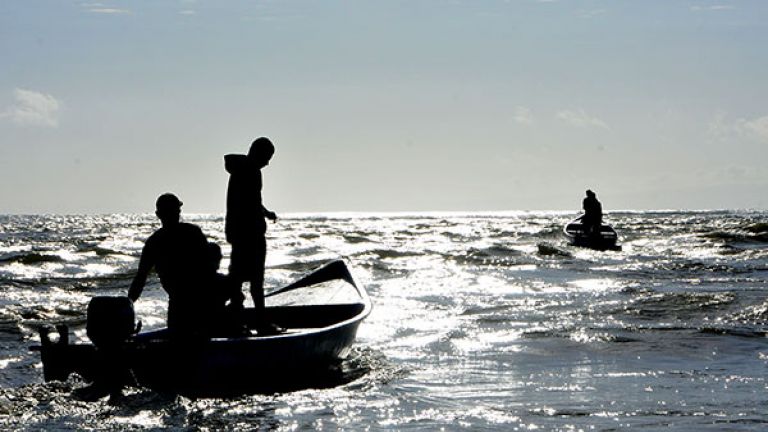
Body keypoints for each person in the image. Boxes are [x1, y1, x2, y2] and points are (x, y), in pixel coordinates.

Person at [128, 193, 210, 335]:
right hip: (189, 303)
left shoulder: (156, 241)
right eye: (175, 211)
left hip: (197, 302)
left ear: (158, 214)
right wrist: (127, 304)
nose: (176, 214)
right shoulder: (191, 233)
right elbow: (140, 279)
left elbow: (140, 279)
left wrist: (127, 305)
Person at [224, 137, 281, 334]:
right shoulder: (252, 172)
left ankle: (237, 322)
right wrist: (261, 216)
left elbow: (253, 200)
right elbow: (250, 202)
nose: (268, 162)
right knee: (255, 281)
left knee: (237, 278)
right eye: (267, 157)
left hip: (238, 233)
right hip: (250, 234)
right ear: (258, 153)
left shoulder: (240, 170)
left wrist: (266, 213)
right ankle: (259, 323)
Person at [204, 242, 246, 334]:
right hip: (217, 322)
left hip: (201, 324)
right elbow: (239, 298)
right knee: (237, 306)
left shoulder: (193, 280)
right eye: (218, 257)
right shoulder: (221, 280)